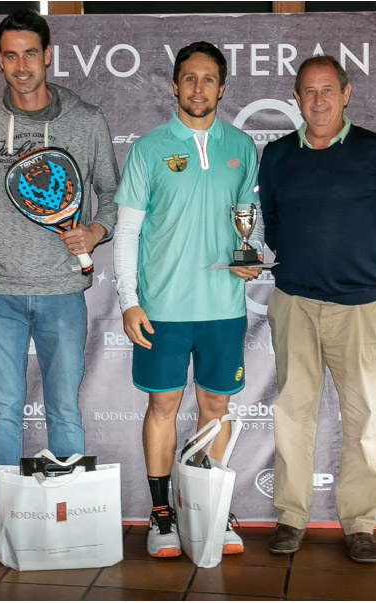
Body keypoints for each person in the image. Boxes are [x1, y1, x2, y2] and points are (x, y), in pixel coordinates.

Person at [0, 8, 119, 559]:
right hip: (0, 291)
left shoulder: (86, 119)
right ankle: (5, 518)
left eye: (30, 53)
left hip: (62, 290)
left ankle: (70, 520)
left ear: (47, 55)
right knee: (5, 412)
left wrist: (96, 230)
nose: (20, 65)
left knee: (64, 411)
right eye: (10, 55)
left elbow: (112, 194)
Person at [259, 55, 376, 564]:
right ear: (296, 98)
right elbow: (272, 226)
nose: (318, 100)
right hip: (294, 304)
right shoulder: (277, 156)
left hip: (359, 309)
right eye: (308, 91)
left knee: (362, 418)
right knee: (293, 414)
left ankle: (360, 524)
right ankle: (291, 516)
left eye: (328, 89)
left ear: (346, 93)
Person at [113, 42, 264, 558]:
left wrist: (250, 253)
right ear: (175, 85)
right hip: (162, 309)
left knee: (216, 408)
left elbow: (249, 222)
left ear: (222, 88)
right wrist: (129, 299)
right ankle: (162, 514)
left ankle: (209, 507)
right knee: (162, 406)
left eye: (209, 79)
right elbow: (127, 232)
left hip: (223, 307)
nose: (199, 88)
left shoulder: (241, 146)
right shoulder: (148, 148)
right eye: (189, 78)